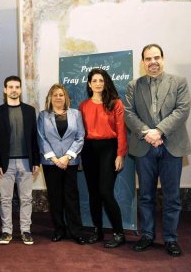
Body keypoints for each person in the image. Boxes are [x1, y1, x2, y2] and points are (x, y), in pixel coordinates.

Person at [124, 44, 191, 257]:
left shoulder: (179, 82)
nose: (153, 62)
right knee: (145, 195)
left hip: (172, 147)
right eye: (148, 59)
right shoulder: (133, 86)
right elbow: (128, 113)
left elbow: (182, 110)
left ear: (163, 58)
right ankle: (147, 236)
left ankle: (170, 238)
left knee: (172, 197)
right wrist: (147, 132)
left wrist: (159, 131)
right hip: (145, 148)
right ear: (142, 62)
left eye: (156, 57)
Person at [0, 75, 40, 245]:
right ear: (5, 90)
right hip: (5, 164)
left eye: (17, 87)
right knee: (5, 199)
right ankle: (6, 231)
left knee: (26, 198)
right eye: (10, 87)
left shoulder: (29, 111)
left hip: (26, 162)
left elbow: (34, 138)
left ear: (20, 89)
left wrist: (36, 162)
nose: (14, 90)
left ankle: (26, 231)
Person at [79, 68, 127, 248]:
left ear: (105, 83)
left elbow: (121, 130)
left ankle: (119, 233)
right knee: (93, 193)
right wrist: (80, 157)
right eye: (94, 80)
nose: (98, 83)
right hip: (89, 150)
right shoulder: (83, 105)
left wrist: (120, 154)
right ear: (89, 84)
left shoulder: (115, 103)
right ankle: (98, 231)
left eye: (101, 80)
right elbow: (80, 133)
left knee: (106, 192)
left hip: (109, 148)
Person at [37, 84, 86, 245]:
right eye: (55, 95)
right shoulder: (43, 116)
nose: (58, 97)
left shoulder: (76, 114)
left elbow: (80, 137)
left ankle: (76, 231)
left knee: (72, 197)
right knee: (55, 197)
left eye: (61, 95)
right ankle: (59, 229)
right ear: (50, 98)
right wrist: (54, 159)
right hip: (51, 163)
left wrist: (67, 157)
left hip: (70, 162)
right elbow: (41, 138)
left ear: (66, 98)